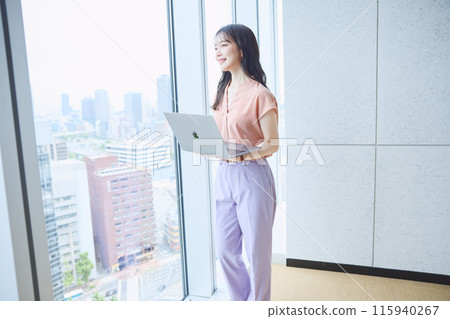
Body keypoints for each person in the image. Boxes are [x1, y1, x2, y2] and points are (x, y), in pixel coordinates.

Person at [208, 24, 279, 301]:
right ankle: (241, 303)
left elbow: (272, 142)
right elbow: (220, 136)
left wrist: (242, 155)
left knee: (256, 254)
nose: (217, 52)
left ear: (242, 48)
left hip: (253, 176)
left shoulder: (260, 94)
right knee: (225, 251)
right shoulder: (221, 92)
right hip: (224, 175)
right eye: (215, 47)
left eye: (223, 45)